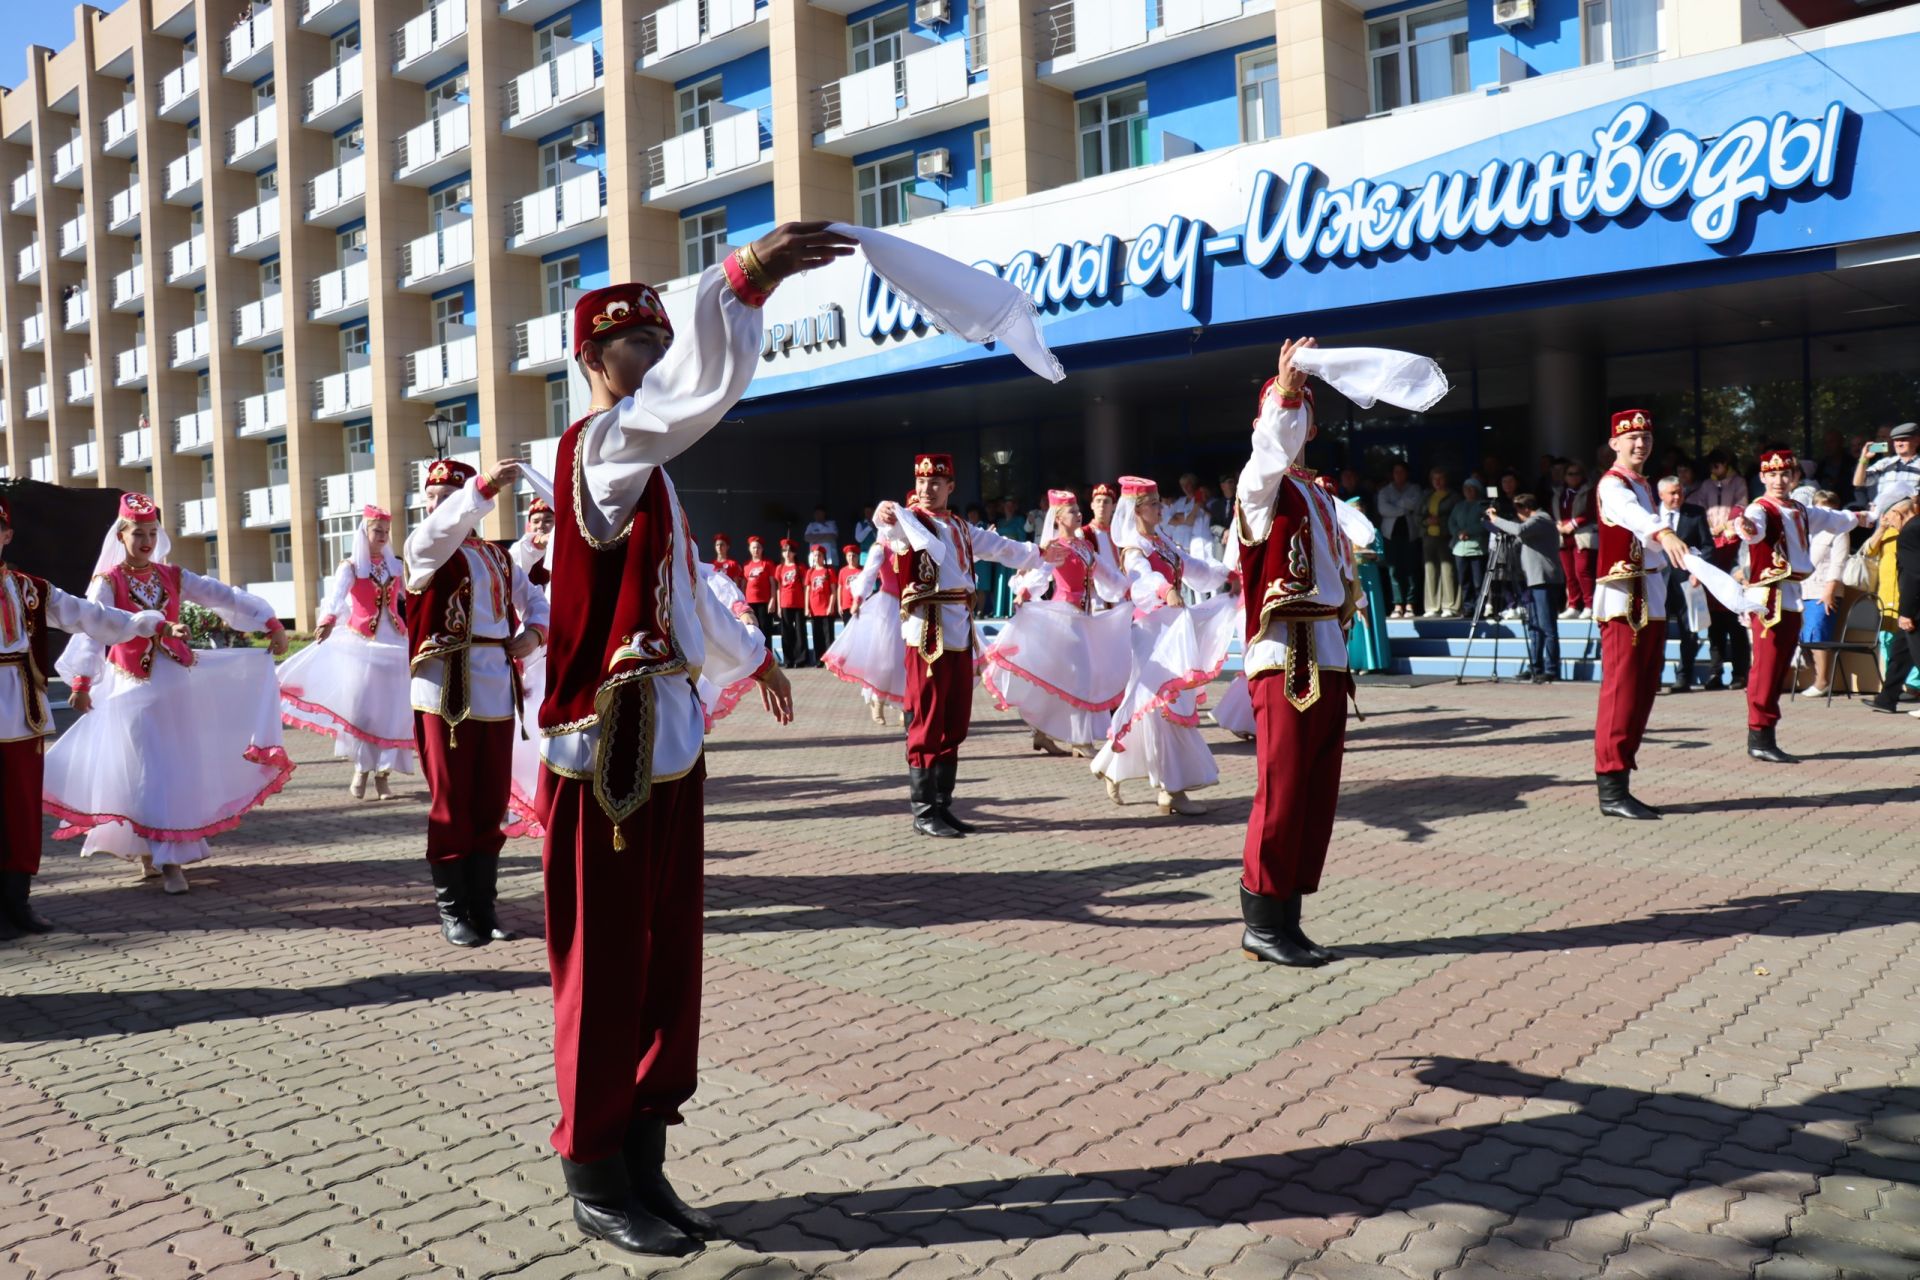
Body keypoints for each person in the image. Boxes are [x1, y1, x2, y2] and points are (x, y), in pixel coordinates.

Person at [534, 244, 823, 1256]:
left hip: (668, 740)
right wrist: (738, 289)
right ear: (592, 361)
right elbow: (688, 402)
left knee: (665, 964)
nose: (653, 360)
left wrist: (759, 658)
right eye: (631, 346)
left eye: (661, 340)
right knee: (603, 964)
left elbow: (691, 594)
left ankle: (646, 1157)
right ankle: (594, 1167)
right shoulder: (603, 450)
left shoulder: (654, 477)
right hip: (605, 753)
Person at [44, 493, 293, 896]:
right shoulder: (108, 582)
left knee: (175, 768)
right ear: (121, 536)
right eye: (138, 533)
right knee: (148, 770)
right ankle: (164, 858)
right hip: (132, 689)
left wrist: (268, 620)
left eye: (152, 532)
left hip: (176, 687)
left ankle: (162, 852)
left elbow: (220, 594)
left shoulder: (172, 576)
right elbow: (93, 627)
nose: (145, 540)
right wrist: (81, 681)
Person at [1229, 342, 1376, 967]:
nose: (1295, 424)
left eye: (1302, 413)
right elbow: (1268, 453)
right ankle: (1261, 919)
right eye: (1285, 412)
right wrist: (1283, 390)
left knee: (1316, 793)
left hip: (1328, 650)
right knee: (1283, 788)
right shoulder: (1259, 486)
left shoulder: (1317, 493)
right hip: (1285, 653)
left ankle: (1287, 917)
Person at [0, 494, 171, 935]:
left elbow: (87, 615)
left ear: (7, 535)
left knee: (19, 810)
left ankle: (17, 902)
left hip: (21, 714)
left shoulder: (30, 589)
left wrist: (141, 622)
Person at [404, 457, 549, 947]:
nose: (438, 508)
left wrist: (534, 634)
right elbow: (438, 532)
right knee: (451, 801)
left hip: (495, 687)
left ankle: (485, 907)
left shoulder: (497, 556)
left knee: (489, 802)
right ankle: (453, 910)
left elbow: (537, 600)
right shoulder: (422, 548)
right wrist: (481, 487)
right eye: (432, 500)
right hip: (444, 687)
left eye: (450, 499)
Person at [872, 455, 1053, 838]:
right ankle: (923, 811)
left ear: (951, 486)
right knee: (927, 715)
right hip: (928, 631)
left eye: (935, 482)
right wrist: (884, 513)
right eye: (921, 481)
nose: (926, 489)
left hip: (959, 627)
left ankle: (942, 804)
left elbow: (1002, 548)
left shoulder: (958, 526)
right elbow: (887, 527)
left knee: (954, 717)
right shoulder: (909, 521)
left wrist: (1040, 553)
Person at [1089, 476, 1238, 817]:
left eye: (1159, 502)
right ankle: (1172, 790)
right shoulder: (1133, 548)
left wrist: (1227, 573)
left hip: (1172, 629)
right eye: (1154, 504)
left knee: (1153, 706)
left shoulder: (1163, 543)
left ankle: (1114, 764)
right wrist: (1163, 591)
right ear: (1137, 510)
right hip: (1150, 632)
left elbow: (1195, 569)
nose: (1161, 508)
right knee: (1165, 705)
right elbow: (1141, 581)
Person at [1731, 451, 1872, 762]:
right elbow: (1752, 529)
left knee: (1780, 665)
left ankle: (1765, 735)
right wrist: (1745, 528)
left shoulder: (1800, 509)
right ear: (1763, 478)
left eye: (1786, 474)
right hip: (1769, 596)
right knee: (1766, 668)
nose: (1780, 480)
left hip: (1794, 593)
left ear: (1794, 478)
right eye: (1774, 474)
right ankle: (1759, 735)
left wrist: (1866, 517)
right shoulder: (1761, 508)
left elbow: (1834, 519)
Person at [1590, 411, 1696, 820]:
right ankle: (1611, 785)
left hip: (1649, 594)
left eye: (1646, 438)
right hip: (1624, 599)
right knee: (1622, 692)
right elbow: (1635, 520)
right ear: (1614, 443)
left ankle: (1621, 783)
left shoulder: (1644, 485)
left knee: (1643, 691)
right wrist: (1664, 532)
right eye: (1631, 437)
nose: (1640, 444)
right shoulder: (1613, 484)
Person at [278, 504, 415, 800]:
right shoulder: (351, 567)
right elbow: (335, 598)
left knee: (393, 710)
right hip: (361, 645)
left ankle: (383, 777)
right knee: (364, 710)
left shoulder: (394, 566)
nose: (382, 536)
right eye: (377, 530)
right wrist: (327, 621)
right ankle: (361, 769)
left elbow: (413, 596)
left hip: (394, 645)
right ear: (364, 533)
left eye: (386, 531)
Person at [981, 489, 1131, 757]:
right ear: (1059, 518)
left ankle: (1041, 732)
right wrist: (1025, 592)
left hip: (1083, 618)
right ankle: (1081, 741)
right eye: (1072, 511)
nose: (1078, 513)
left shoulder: (1085, 547)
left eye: (1077, 509)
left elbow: (1106, 574)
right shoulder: (1056, 549)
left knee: (1063, 679)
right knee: (1082, 676)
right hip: (1064, 617)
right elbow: (1042, 574)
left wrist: (1128, 590)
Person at [823, 538, 905, 725]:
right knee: (885, 659)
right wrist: (858, 599)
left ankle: (905, 705)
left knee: (907, 659)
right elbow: (868, 574)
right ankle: (877, 700)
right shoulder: (881, 548)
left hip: (910, 607)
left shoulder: (913, 542)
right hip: (887, 606)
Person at [1484, 494, 1565, 684]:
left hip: (1545, 580)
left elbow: (1519, 530)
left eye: (1518, 510)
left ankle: (1551, 669)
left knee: (1547, 627)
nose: (1517, 515)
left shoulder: (1541, 520)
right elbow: (1515, 537)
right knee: (1535, 627)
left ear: (1526, 508)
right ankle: (1535, 667)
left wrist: (1496, 519)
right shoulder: (1534, 524)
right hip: (1532, 580)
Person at [1654, 478, 1713, 694]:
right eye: (1672, 493)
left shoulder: (1695, 513)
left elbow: (1707, 546)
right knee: (1656, 631)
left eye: (1680, 492)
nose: (1677, 497)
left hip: (1686, 580)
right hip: (1657, 581)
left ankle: (1683, 677)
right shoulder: (1650, 515)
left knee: (1689, 631)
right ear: (1661, 495)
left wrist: (1699, 572)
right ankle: (1654, 677)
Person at [1867, 499, 1920, 712]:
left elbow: (1913, 576)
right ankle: (1886, 699)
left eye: (1889, 518)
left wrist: (1906, 612)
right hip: (1913, 604)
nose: (1889, 523)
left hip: (1915, 608)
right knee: (1900, 652)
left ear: (1898, 513)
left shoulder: (1909, 533)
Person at [1799, 490, 1852, 698]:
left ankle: (1822, 681)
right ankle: (1813, 676)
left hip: (1824, 590)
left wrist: (1829, 591)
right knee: (1805, 635)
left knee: (1818, 634)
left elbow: (1838, 563)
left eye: (1829, 508)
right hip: (1803, 589)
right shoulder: (1807, 530)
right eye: (1820, 507)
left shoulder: (1840, 530)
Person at [1375, 461, 1421, 619]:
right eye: (1396, 472)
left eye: (1402, 471)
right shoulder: (1385, 491)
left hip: (1410, 535)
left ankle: (1410, 604)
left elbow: (1415, 503)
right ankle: (1397, 604)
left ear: (1406, 473)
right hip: (1391, 537)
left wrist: (1394, 506)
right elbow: (1383, 509)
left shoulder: (1414, 488)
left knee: (1410, 570)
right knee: (1394, 571)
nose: (1399, 475)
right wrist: (1403, 508)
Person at [1554, 461, 1597, 619]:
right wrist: (1558, 524)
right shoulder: (1560, 492)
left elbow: (1592, 513)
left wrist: (1572, 524)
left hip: (1582, 535)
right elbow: (1555, 512)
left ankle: (1589, 605)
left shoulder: (1589, 491)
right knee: (1569, 574)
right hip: (1563, 536)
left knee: (1582, 571)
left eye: (1576, 473)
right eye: (1569, 474)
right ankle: (1573, 605)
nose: (1573, 477)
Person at [1852, 421, 1920, 516]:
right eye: (1896, 440)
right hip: (1884, 523)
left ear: (1917, 441)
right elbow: (1858, 482)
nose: (1899, 443)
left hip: (1910, 522)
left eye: (1903, 439)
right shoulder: (1885, 463)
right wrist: (1864, 457)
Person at [1420, 468, 1461, 618]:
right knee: (1430, 570)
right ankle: (1432, 606)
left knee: (1447, 570)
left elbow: (1456, 516)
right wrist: (1426, 521)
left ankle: (1449, 606)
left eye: (1440, 478)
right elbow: (1418, 514)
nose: (1437, 482)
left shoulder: (1454, 496)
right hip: (1429, 537)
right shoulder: (1427, 496)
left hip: (1446, 537)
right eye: (1434, 479)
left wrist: (1441, 522)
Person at [1451, 477, 1488, 616]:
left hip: (1477, 548)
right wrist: (1458, 532)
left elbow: (1485, 524)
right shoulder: (1459, 506)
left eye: (1471, 488)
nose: (1468, 491)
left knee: (1478, 582)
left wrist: (1468, 531)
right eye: (1466, 488)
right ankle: (1468, 608)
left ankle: (1480, 608)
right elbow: (1451, 522)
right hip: (1460, 548)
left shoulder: (1482, 505)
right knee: (1464, 581)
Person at [991, 498, 1030, 617]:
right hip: (1001, 556)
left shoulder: (1019, 520)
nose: (1009, 507)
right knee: (1001, 581)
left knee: (1014, 581)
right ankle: (1000, 611)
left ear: (1015, 507)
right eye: (1006, 505)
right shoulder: (1000, 522)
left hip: (1014, 556)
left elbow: (1022, 538)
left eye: (1011, 505)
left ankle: (1012, 610)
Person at [773, 538, 806, 668]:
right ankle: (788, 659)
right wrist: (779, 605)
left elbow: (804, 586)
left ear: (794, 553)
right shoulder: (780, 568)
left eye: (790, 551)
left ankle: (800, 659)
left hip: (798, 603)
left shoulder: (800, 567)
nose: (787, 553)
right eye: (785, 551)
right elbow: (778, 588)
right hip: (785, 603)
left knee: (800, 632)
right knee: (786, 632)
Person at [803, 543, 836, 665]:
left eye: (819, 555)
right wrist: (807, 607)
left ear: (823, 557)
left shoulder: (829, 571)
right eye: (815, 555)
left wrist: (831, 606)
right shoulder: (810, 572)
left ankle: (830, 660)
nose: (817, 558)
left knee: (828, 636)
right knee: (817, 635)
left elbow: (833, 591)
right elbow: (807, 591)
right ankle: (818, 660)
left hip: (826, 607)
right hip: (814, 608)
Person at [741, 536, 774, 642]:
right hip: (750, 602)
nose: (756, 550)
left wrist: (772, 600)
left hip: (764, 602)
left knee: (765, 629)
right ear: (750, 549)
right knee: (752, 629)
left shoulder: (767, 563)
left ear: (762, 549)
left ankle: (767, 656)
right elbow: (743, 585)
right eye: (754, 547)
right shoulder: (746, 565)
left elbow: (773, 584)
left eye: (758, 547)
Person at [835, 543, 863, 633]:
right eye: (849, 556)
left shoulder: (863, 570)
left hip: (860, 606)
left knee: (859, 629)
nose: (851, 558)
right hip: (846, 606)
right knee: (848, 630)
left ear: (858, 557)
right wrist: (839, 605)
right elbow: (839, 588)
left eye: (854, 556)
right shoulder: (842, 571)